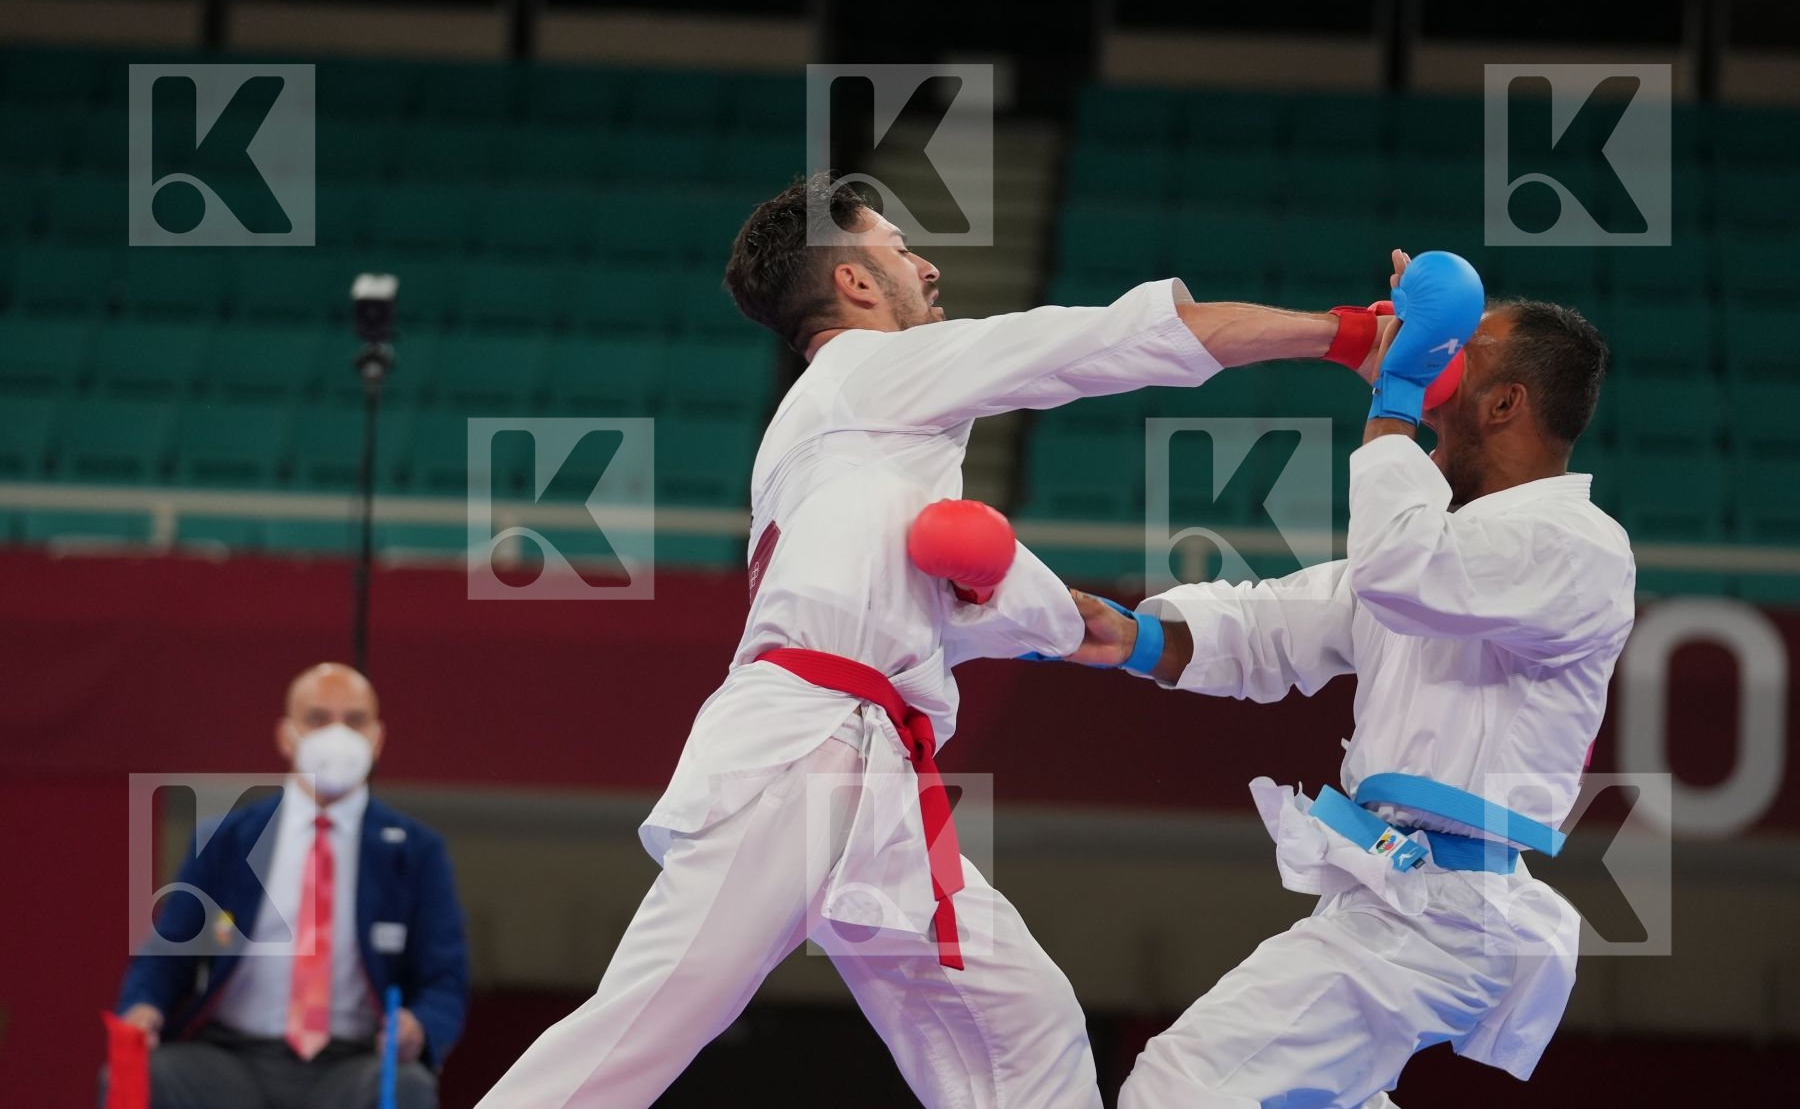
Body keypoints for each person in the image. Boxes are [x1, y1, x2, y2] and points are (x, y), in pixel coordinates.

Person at [478, 174, 1405, 1108]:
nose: (924, 264)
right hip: (805, 749)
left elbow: (946, 596)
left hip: (873, 762)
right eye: (896, 246)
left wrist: (1065, 619)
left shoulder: (851, 440)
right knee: (642, 1026)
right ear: (852, 283)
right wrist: (1348, 336)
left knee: (1022, 1029)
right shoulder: (867, 375)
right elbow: (1104, 343)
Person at [1055, 252, 1634, 1107]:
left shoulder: (1577, 546)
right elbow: (1274, 625)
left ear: (1507, 403)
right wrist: (1136, 636)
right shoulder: (1447, 545)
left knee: (1184, 1089)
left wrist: (1394, 397)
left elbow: (1401, 564)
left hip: (1442, 913)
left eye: (1457, 352)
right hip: (1393, 897)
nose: (1434, 358)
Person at [111, 663, 470, 1109]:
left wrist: (420, 1025)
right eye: (318, 719)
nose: (337, 735)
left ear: (377, 739)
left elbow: (445, 978)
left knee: (407, 1087)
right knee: (144, 1078)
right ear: (286, 735)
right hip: (231, 1058)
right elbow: (169, 952)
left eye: (355, 720)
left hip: (350, 1063)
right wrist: (144, 1007)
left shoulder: (416, 852)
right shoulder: (226, 839)